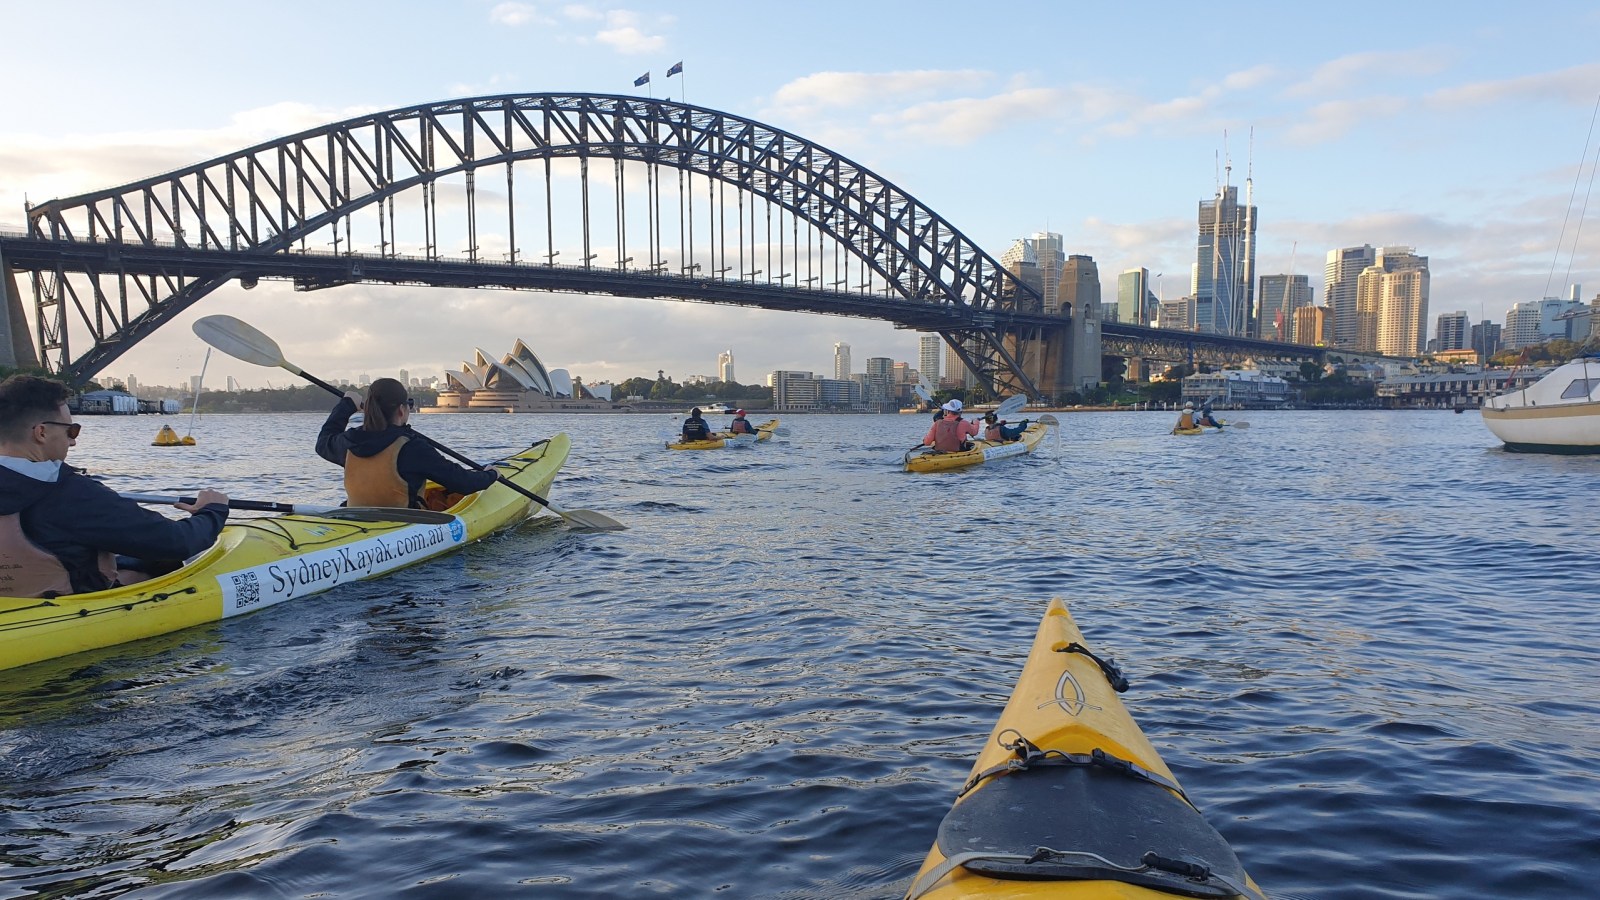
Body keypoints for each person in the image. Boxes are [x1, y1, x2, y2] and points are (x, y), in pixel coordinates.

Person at [0, 374, 230, 597]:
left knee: (134, 561)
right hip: (61, 606)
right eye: (71, 430)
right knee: (160, 560)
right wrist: (213, 511)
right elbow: (178, 542)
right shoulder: (75, 495)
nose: (73, 440)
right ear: (42, 432)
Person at [317, 377, 497, 510]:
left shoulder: (348, 441)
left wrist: (346, 405)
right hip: (406, 524)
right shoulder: (413, 448)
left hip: (358, 518)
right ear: (402, 410)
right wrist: (491, 475)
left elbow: (323, 441)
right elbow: (463, 483)